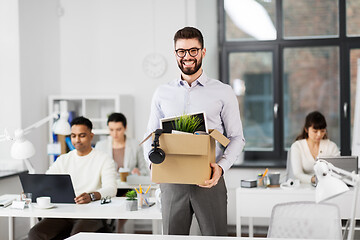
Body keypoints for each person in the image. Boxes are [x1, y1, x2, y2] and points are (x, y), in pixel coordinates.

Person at [144, 26, 245, 236]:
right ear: (175, 54)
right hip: (172, 181)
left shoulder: (223, 92)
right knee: (173, 236)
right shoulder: (162, 93)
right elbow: (151, 134)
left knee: (214, 236)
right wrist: (151, 165)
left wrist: (221, 168)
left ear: (203, 52)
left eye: (193, 50)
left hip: (209, 179)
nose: (187, 56)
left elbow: (236, 138)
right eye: (181, 51)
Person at [28, 116, 117, 240]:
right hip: (63, 212)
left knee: (77, 236)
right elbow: (47, 179)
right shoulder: (64, 159)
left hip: (91, 213)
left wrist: (92, 196)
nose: (77, 140)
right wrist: (32, 189)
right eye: (73, 136)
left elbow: (111, 189)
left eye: (82, 135)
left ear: (91, 136)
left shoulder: (104, 159)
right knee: (35, 234)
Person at [290, 111, 340, 184]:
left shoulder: (331, 146)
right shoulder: (297, 146)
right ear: (306, 130)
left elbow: (338, 170)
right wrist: (314, 180)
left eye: (322, 131)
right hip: (305, 187)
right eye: (315, 131)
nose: (319, 134)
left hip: (328, 186)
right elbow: (297, 174)